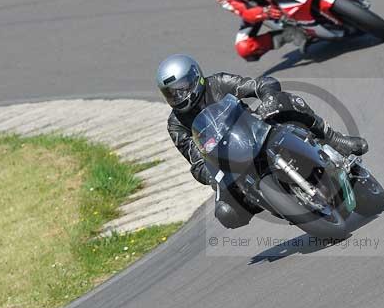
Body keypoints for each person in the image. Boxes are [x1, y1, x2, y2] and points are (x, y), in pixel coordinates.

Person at [157, 54, 367, 228]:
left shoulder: (218, 82)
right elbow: (195, 161)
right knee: (226, 213)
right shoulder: (176, 123)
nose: (179, 96)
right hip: (230, 163)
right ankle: (282, 203)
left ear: (196, 77)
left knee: (287, 101)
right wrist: (211, 176)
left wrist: (267, 96)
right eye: (171, 93)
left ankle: (334, 139)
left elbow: (256, 85)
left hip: (256, 130)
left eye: (182, 88)